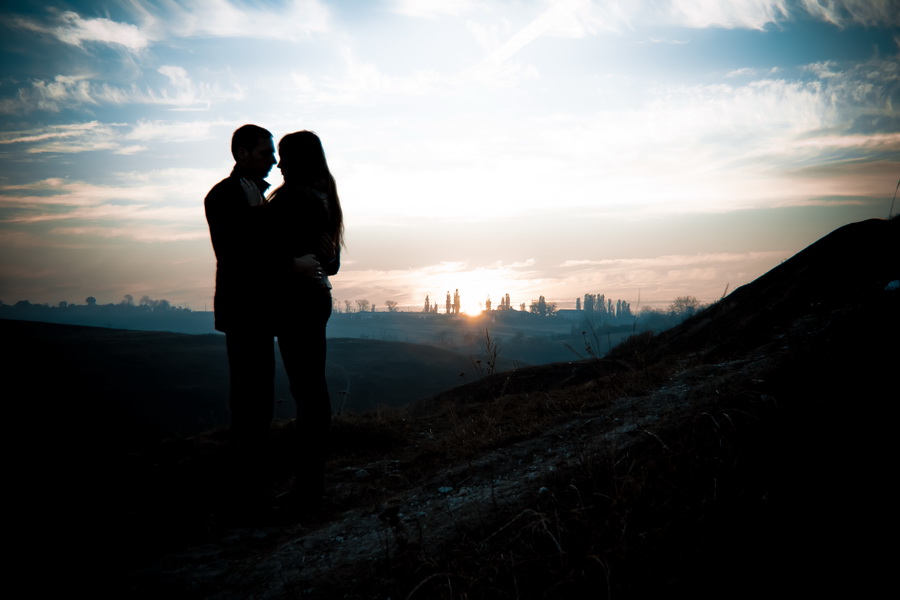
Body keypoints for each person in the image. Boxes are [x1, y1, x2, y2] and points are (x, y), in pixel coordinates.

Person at [265, 130, 344, 510]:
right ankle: (312, 481)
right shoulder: (325, 194)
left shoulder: (294, 198)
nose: (279, 164)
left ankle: (308, 486)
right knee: (312, 390)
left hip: (297, 302)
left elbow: (264, 248)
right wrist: (324, 257)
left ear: (298, 159)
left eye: (284, 156)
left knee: (307, 392)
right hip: (316, 297)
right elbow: (333, 262)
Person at [204, 124, 284, 449]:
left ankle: (252, 448)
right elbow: (240, 253)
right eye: (266, 153)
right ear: (242, 153)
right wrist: (257, 214)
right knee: (250, 384)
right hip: (243, 306)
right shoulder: (224, 196)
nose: (274, 161)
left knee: (259, 383)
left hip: (254, 306)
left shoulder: (253, 194)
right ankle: (247, 450)